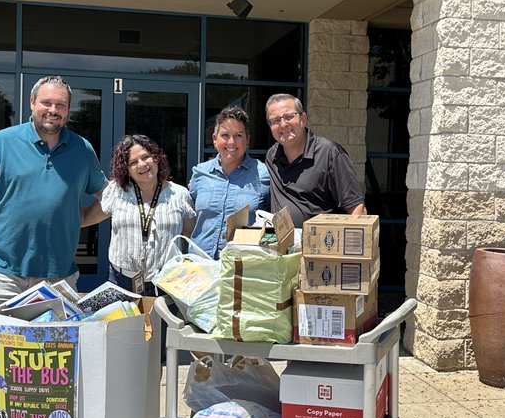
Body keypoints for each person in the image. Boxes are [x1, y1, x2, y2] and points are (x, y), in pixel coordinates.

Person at [0, 75, 107, 327]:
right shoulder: (3, 142)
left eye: (61, 105)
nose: (53, 110)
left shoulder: (82, 149)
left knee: (50, 358)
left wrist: (78, 219)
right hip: (0, 276)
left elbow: (108, 198)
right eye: (46, 103)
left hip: (57, 278)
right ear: (32, 103)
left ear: (68, 110)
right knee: (5, 353)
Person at [95, 133, 196, 295]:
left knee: (164, 321)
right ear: (126, 170)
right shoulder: (115, 192)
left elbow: (193, 235)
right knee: (123, 321)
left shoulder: (179, 194)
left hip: (167, 281)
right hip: (121, 280)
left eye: (145, 157)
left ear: (156, 158)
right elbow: (89, 216)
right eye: (133, 162)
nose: (141, 164)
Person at [264, 93, 367, 229]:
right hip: (281, 246)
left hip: (319, 245)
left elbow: (357, 209)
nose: (283, 124)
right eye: (276, 120)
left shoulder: (329, 154)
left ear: (304, 119)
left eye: (289, 116)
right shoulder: (272, 156)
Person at [189, 106, 271, 258]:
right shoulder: (200, 173)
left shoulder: (263, 174)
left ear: (247, 140)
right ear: (215, 139)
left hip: (242, 267)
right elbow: (190, 220)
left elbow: (272, 224)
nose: (231, 142)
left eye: (238, 135)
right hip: (200, 266)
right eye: (225, 135)